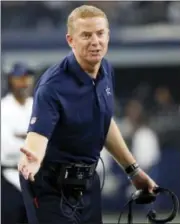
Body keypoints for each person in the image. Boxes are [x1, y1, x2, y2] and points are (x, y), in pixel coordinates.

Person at [18, 5, 158, 224]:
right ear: (70, 40)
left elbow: (103, 121)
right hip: (49, 188)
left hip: (87, 184)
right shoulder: (53, 86)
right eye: (86, 35)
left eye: (100, 33)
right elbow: (37, 137)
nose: (95, 41)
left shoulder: (106, 70)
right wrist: (32, 159)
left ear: (108, 36)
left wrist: (133, 171)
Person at [1, 63, 35, 224]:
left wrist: (21, 137)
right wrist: (34, 140)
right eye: (19, 78)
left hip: (38, 178)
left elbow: (51, 142)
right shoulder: (3, 108)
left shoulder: (38, 106)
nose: (23, 82)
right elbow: (7, 150)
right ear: (10, 80)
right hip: (9, 176)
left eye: (27, 78)